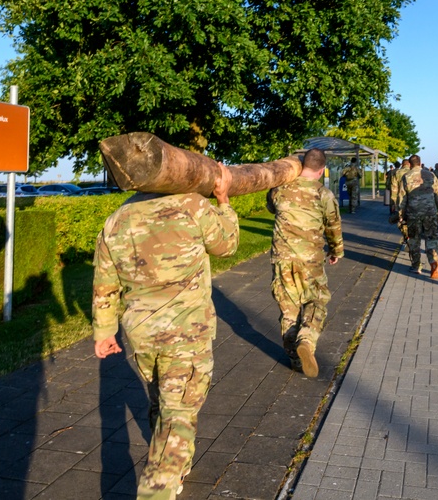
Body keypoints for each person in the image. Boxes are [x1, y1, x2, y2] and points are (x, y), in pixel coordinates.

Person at [93, 165, 239, 500]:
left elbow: (105, 283)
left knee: (163, 397)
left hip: (142, 333)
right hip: (186, 331)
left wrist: (104, 332)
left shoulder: (118, 218)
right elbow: (227, 245)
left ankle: (179, 462)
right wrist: (224, 200)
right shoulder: (192, 205)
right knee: (179, 412)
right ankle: (158, 487)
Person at [266, 149, 344, 378]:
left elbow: (272, 207)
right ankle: (307, 341)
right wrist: (336, 250)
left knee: (288, 309)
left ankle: (294, 359)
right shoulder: (324, 194)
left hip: (282, 259)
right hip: (310, 259)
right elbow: (333, 226)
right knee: (316, 299)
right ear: (321, 171)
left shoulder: (281, 189)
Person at [397, 155, 438, 278]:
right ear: (420, 163)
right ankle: (434, 263)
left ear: (410, 164)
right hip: (430, 213)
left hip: (413, 213)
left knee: (414, 240)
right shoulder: (430, 175)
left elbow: (402, 199)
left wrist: (400, 215)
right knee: (432, 239)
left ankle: (416, 266)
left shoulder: (406, 177)